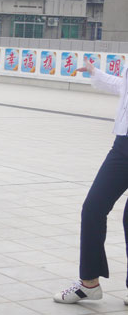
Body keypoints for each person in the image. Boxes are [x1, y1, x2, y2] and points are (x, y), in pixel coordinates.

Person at [53, 59, 128, 305]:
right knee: (93, 207)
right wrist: (97, 74)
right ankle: (89, 284)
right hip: (123, 145)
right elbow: (123, 86)